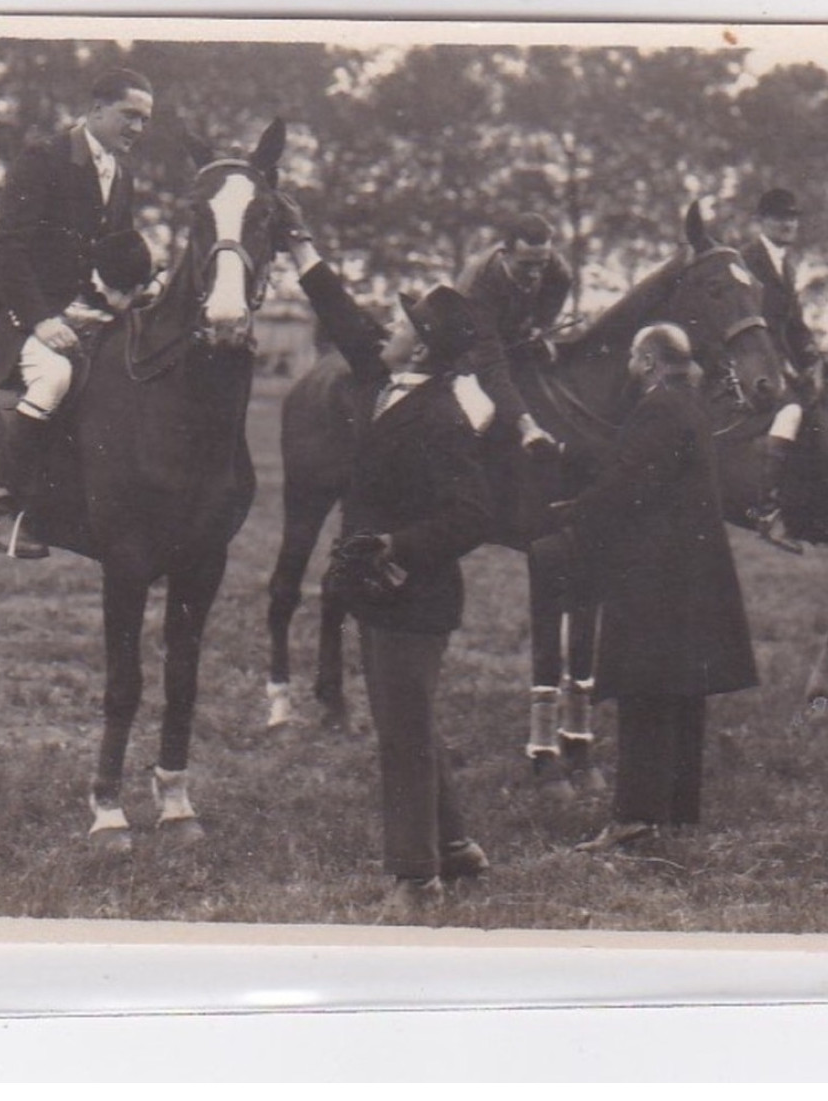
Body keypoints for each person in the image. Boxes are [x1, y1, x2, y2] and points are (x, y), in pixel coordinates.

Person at [275, 193, 495, 922]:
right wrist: (301, 247)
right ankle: (455, 844)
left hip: (414, 594)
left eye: (402, 322)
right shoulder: (384, 379)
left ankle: (415, 878)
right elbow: (341, 314)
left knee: (401, 736)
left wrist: (399, 545)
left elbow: (472, 514)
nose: (388, 327)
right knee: (413, 719)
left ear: (423, 347)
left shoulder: (441, 417)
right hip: (379, 590)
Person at [548, 323, 759, 852]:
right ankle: (675, 810)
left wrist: (574, 512)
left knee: (645, 693)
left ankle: (634, 818)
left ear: (645, 360)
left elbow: (629, 484)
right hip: (690, 577)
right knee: (681, 693)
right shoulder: (688, 404)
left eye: (631, 359)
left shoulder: (657, 407)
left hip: (655, 576)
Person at [0, 68, 158, 559]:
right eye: (129, 115)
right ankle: (1, 512)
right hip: (24, 316)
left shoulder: (122, 173)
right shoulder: (43, 158)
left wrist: (135, 289)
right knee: (54, 378)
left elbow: (113, 255)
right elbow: (5, 246)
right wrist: (41, 320)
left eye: (145, 120)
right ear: (96, 110)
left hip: (88, 312)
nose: (137, 128)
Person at [739, 186, 827, 554]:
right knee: (791, 410)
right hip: (750, 361)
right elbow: (750, 324)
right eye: (779, 217)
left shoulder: (786, 265)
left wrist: (815, 358)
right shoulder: (746, 261)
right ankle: (766, 506)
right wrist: (785, 367)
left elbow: (795, 325)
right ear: (760, 222)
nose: (788, 224)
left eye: (793, 218)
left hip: (779, 359)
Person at [454, 213, 573, 455]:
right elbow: (490, 365)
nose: (535, 274)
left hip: (512, 336)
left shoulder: (553, 266)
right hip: (471, 350)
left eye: (541, 264)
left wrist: (540, 326)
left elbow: (561, 285)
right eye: (526, 265)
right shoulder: (477, 287)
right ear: (504, 254)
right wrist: (527, 426)